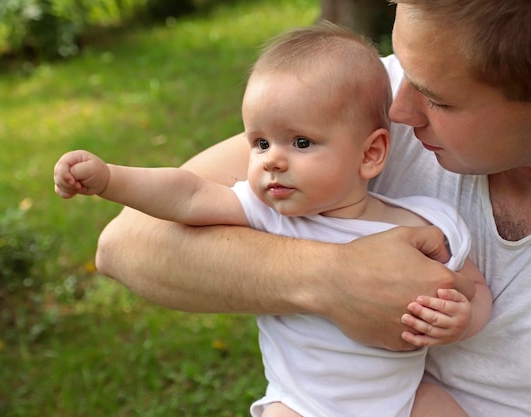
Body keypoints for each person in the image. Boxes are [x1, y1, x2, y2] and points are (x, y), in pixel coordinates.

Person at [93, 0, 531, 416]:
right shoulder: (356, 103)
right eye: (402, 67)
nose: (399, 112)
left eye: (438, 100)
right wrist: (330, 278)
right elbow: (127, 244)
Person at [55, 23, 491, 417]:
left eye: (301, 142)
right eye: (260, 143)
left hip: (405, 399)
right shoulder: (269, 216)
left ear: (370, 153)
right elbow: (186, 195)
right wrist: (110, 179)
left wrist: (462, 321)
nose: (272, 161)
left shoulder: (426, 221)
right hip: (305, 405)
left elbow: (473, 289)